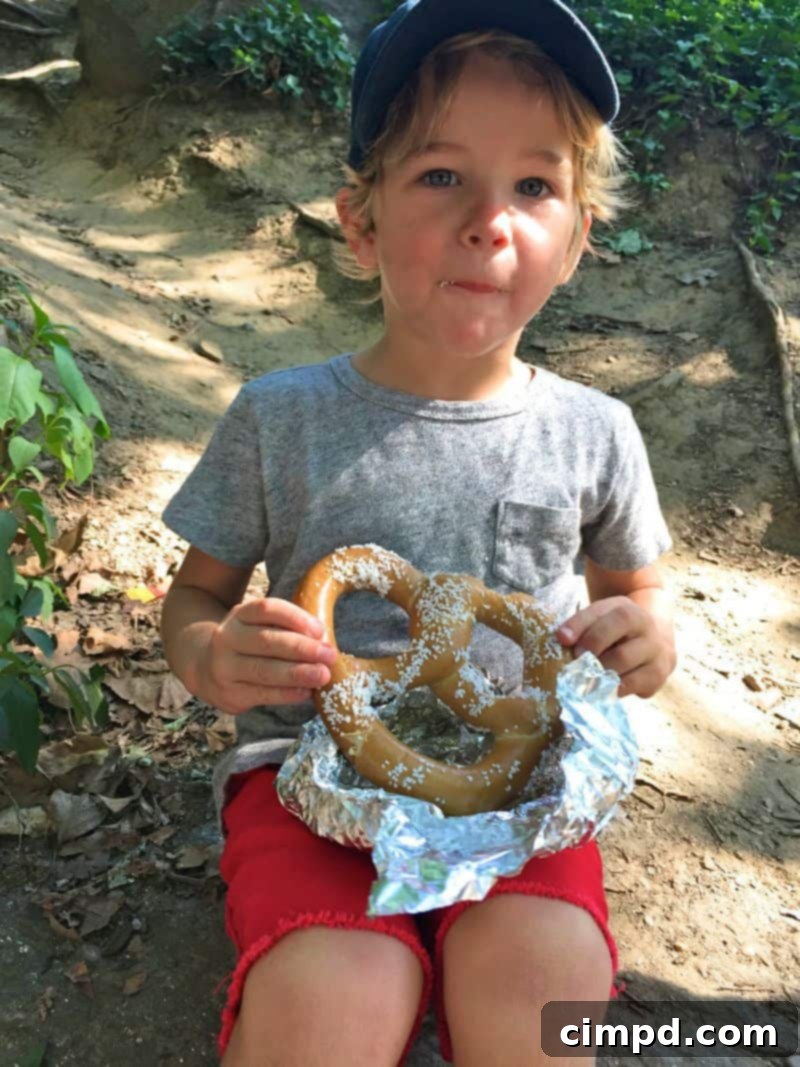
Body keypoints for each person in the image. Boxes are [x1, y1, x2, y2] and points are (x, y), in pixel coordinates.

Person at [160, 0, 677, 1063]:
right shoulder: (281, 415)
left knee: (543, 996)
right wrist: (213, 653)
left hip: (525, 790)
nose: (490, 219)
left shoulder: (595, 431)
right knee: (334, 1001)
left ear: (575, 238)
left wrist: (645, 639)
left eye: (534, 186)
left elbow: (641, 593)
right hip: (311, 782)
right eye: (440, 176)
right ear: (359, 221)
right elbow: (194, 595)